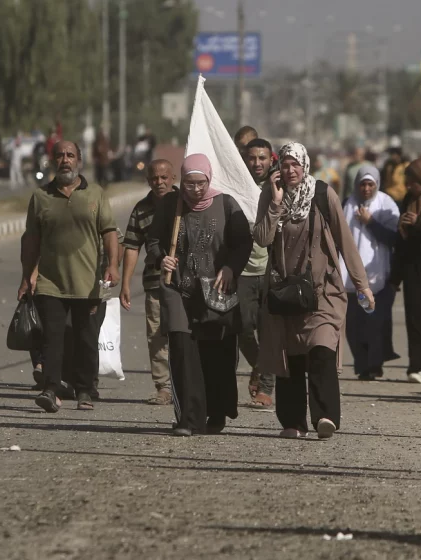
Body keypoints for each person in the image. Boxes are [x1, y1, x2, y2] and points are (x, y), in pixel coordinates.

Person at [253, 142, 373, 440]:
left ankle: (325, 416)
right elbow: (263, 237)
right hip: (284, 293)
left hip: (322, 292)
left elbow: (345, 240)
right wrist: (276, 203)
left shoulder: (322, 194)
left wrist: (362, 285)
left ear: (304, 165)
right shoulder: (271, 194)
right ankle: (293, 422)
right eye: (285, 164)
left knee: (321, 350)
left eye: (296, 164)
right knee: (290, 357)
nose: (290, 170)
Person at [147, 154, 253, 437]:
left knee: (215, 354)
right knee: (182, 350)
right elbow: (154, 239)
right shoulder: (171, 205)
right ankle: (187, 419)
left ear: (209, 179)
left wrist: (231, 267)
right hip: (178, 290)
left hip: (215, 292)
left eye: (200, 183)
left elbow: (243, 242)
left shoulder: (227, 205)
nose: (194, 189)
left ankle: (215, 413)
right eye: (189, 183)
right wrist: (161, 259)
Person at [19, 141, 120, 412]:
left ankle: (85, 389)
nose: (65, 160)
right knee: (52, 337)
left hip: (88, 283)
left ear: (79, 161)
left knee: (86, 339)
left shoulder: (95, 194)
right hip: (50, 283)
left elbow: (109, 232)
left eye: (71, 155)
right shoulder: (41, 197)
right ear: (53, 161)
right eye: (60, 155)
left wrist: (113, 266)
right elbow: (31, 240)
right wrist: (26, 276)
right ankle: (51, 389)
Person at [120, 160, 177, 405]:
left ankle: (186, 382)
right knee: (156, 336)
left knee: (184, 335)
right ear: (148, 181)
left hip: (184, 285)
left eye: (164, 178)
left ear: (172, 178)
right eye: (154, 178)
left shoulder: (184, 204)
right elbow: (132, 246)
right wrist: (125, 284)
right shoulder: (141, 210)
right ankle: (163, 386)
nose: (159, 182)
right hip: (154, 284)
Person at [341, 164, 401, 381]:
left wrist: (371, 223)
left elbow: (393, 237)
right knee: (354, 324)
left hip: (378, 274)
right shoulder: (347, 204)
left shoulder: (386, 204)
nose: (366, 189)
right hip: (351, 276)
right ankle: (362, 365)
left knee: (374, 322)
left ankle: (374, 364)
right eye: (362, 184)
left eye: (370, 184)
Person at [391, 157, 421, 384]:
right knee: (415, 316)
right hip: (412, 266)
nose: (410, 187)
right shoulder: (408, 201)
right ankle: (417, 364)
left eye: (414, 183)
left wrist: (418, 224)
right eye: (408, 183)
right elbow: (402, 239)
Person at [240, 138, 275, 409]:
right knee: (242, 328)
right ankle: (259, 366)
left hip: (271, 271)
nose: (257, 163)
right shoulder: (234, 187)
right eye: (252, 158)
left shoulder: (278, 188)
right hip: (242, 270)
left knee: (269, 330)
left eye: (262, 158)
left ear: (270, 159)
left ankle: (266, 386)